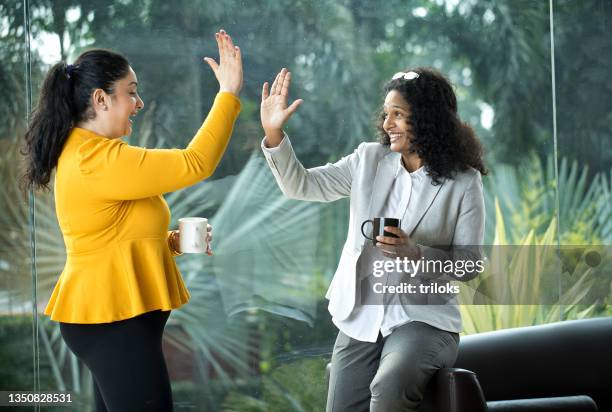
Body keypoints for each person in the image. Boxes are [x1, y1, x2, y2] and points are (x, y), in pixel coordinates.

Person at [20, 30, 242, 411]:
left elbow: (111, 232)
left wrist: (172, 241)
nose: (139, 103)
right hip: (114, 325)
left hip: (113, 322)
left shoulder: (92, 155)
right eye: (131, 91)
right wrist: (229, 93)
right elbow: (196, 162)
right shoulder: (98, 161)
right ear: (101, 99)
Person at [260, 67, 486, 411]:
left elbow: (470, 263)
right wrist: (274, 133)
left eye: (398, 115)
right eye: (386, 114)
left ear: (427, 119)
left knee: (389, 385)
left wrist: (415, 252)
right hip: (362, 313)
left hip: (424, 318)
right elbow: (302, 185)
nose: (387, 124)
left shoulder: (463, 181)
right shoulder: (369, 159)